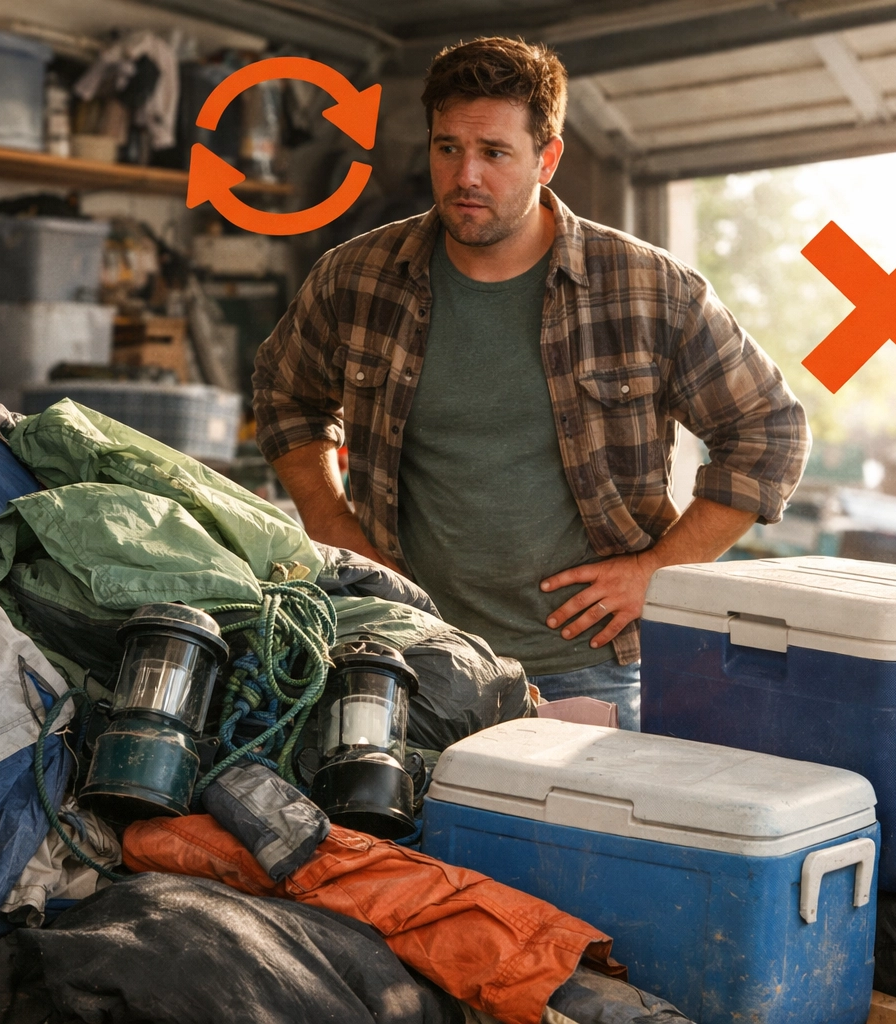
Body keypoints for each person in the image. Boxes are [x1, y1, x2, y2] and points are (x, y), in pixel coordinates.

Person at [252, 37, 809, 730]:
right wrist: (334, 528)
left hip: (589, 661)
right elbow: (284, 397)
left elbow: (769, 432)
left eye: (494, 152)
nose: (466, 177)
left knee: (580, 837)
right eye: (447, 147)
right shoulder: (358, 277)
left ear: (547, 158)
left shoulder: (646, 288)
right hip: (409, 650)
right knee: (410, 838)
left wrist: (658, 572)